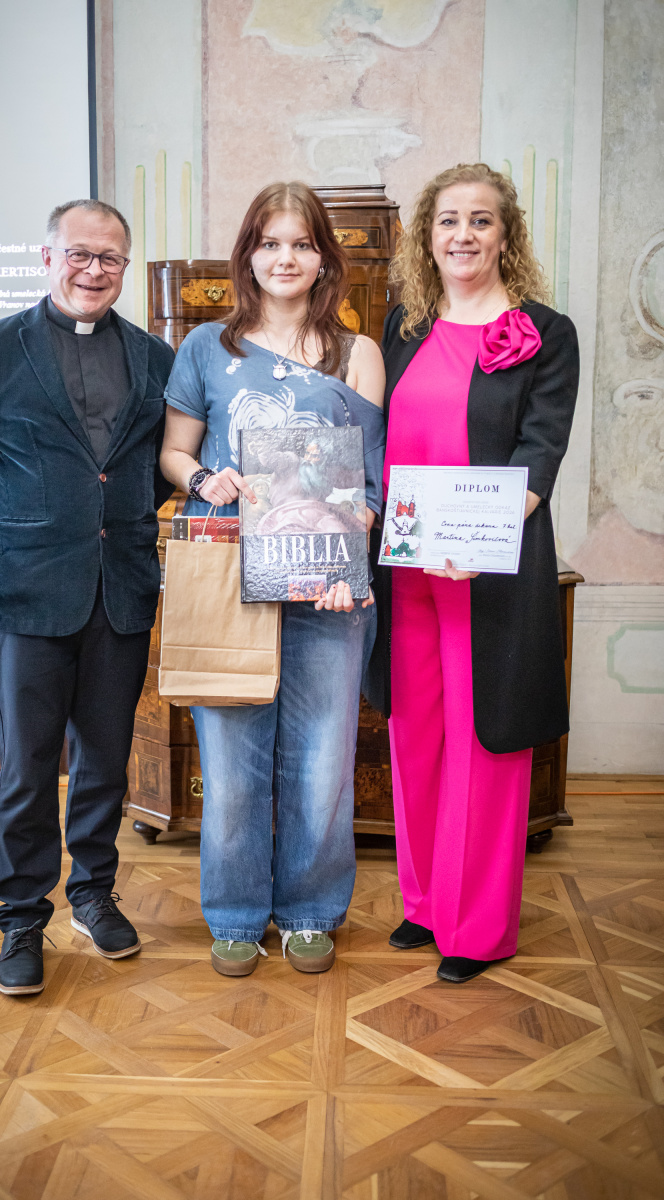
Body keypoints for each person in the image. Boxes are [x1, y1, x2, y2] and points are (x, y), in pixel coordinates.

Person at [0, 199, 175, 995]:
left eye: (109, 258)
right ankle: (21, 918)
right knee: (29, 768)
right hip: (29, 592)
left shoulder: (154, 357)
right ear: (48, 258)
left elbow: (152, 468)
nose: (93, 270)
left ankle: (93, 893)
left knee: (105, 760)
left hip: (121, 589)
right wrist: (24, 526)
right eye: (79, 254)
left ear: (125, 267)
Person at [160, 181, 385, 976]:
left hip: (329, 587)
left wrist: (352, 544)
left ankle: (311, 910)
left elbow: (368, 481)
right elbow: (174, 452)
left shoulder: (359, 354)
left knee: (322, 763)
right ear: (248, 254)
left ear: (323, 257)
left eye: (301, 243)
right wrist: (203, 479)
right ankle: (233, 913)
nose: (284, 258)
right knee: (230, 765)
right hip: (231, 577)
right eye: (269, 242)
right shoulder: (205, 348)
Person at [365, 163, 579, 984]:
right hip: (409, 571)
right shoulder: (404, 325)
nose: (463, 235)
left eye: (481, 220)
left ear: (506, 234)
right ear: (428, 236)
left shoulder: (546, 333)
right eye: (448, 220)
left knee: (486, 745)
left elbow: (539, 454)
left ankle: (479, 928)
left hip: (489, 572)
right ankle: (425, 903)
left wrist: (477, 538)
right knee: (417, 735)